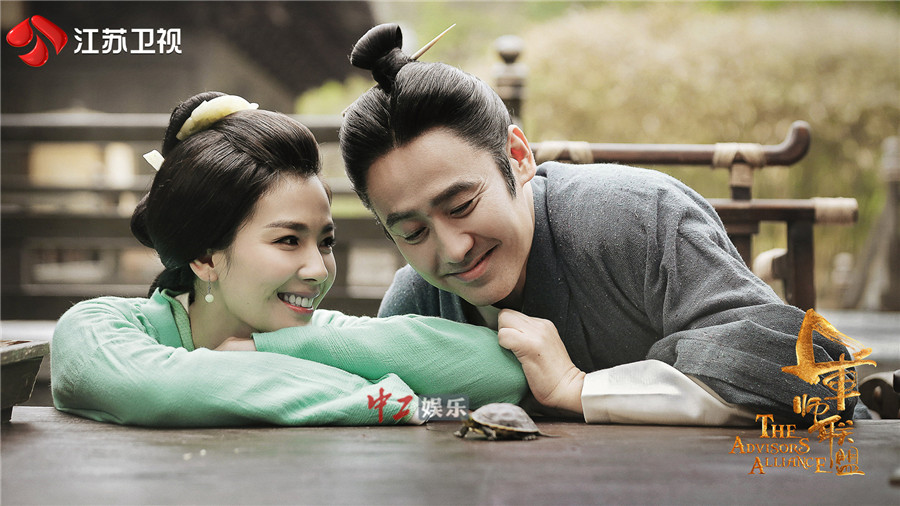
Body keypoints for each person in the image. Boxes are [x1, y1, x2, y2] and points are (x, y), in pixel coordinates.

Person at [339, 24, 866, 425]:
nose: (452, 249)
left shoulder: (635, 218)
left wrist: (580, 388)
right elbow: (403, 407)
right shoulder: (416, 304)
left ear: (518, 157)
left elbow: (814, 373)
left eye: (461, 205)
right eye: (412, 233)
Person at [50, 91, 526, 427]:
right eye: (287, 240)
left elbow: (502, 373)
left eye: (325, 242)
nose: (318, 270)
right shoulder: (99, 327)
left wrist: (270, 348)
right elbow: (161, 388)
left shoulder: (307, 333)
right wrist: (391, 403)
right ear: (204, 257)